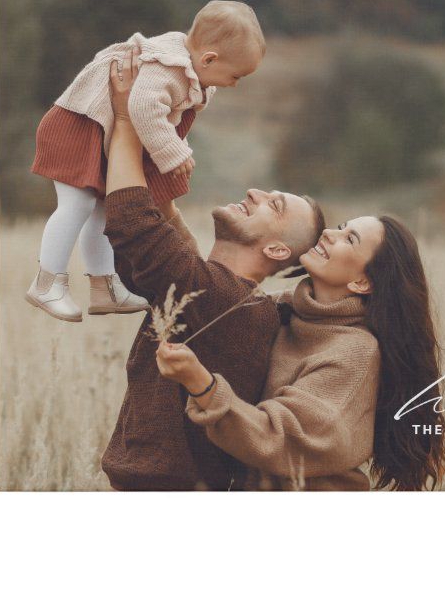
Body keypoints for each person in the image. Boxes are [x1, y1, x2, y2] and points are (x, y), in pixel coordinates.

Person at [100, 49, 326, 491]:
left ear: (278, 249)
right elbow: (163, 253)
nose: (254, 191)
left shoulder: (230, 301)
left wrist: (127, 122)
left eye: (273, 205)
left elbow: (134, 227)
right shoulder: (224, 293)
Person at [156, 215, 445, 491]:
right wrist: (168, 213)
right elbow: (205, 287)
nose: (329, 233)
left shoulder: (355, 351)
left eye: (350, 239)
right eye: (340, 226)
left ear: (362, 283)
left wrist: (201, 384)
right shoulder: (283, 310)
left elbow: (279, 439)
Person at [26, 0, 265, 322]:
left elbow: (168, 117)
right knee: (77, 205)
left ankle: (104, 286)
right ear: (209, 59)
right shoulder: (166, 67)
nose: (235, 84)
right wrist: (172, 152)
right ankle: (47, 284)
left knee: (105, 209)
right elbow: (142, 108)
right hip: (78, 126)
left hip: (99, 132)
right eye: (236, 75)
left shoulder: (191, 71)